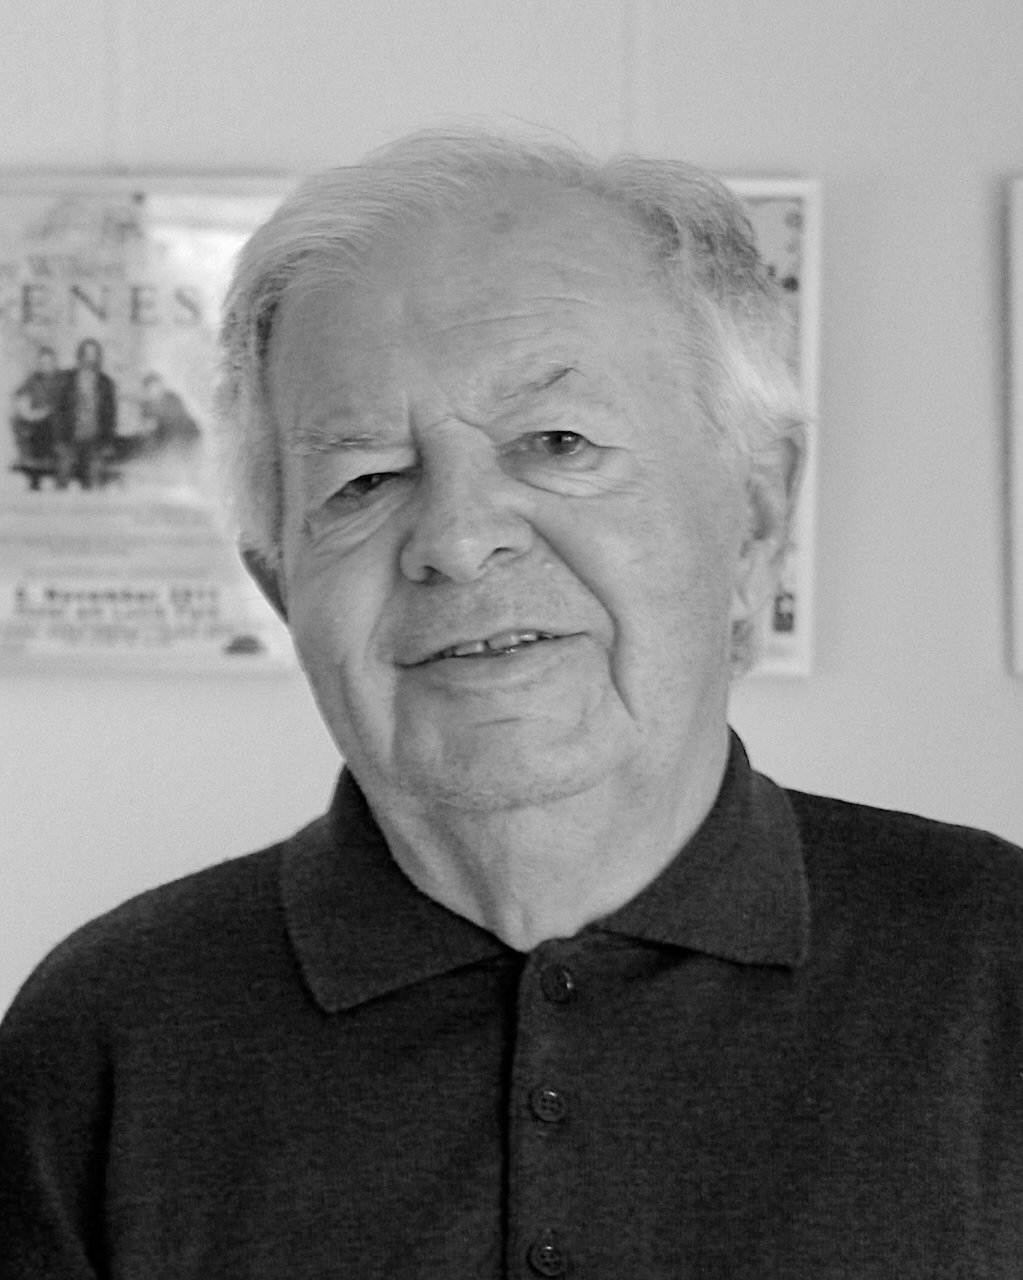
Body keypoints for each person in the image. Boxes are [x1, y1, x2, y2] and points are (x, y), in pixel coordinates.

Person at [1, 129, 1021, 1279]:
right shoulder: (105, 1038)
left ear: (756, 519)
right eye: (364, 478)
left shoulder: (995, 966)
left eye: (558, 441)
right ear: (281, 584)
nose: (457, 537)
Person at [53, 337, 118, 489]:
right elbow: (59, 412)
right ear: (80, 355)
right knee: (62, 475)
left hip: (96, 440)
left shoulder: (105, 383)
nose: (90, 358)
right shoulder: (67, 380)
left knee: (95, 480)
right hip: (71, 438)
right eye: (87, 354)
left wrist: (107, 443)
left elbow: (110, 415)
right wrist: (59, 440)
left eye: (93, 354)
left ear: (98, 357)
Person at [10, 346, 62, 488]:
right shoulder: (33, 379)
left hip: (55, 419)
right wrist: (23, 409)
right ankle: (29, 461)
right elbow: (19, 394)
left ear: (54, 363)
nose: (46, 366)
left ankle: (45, 460)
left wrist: (48, 411)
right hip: (37, 417)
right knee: (20, 422)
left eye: (49, 362)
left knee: (47, 425)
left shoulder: (61, 379)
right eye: (43, 363)